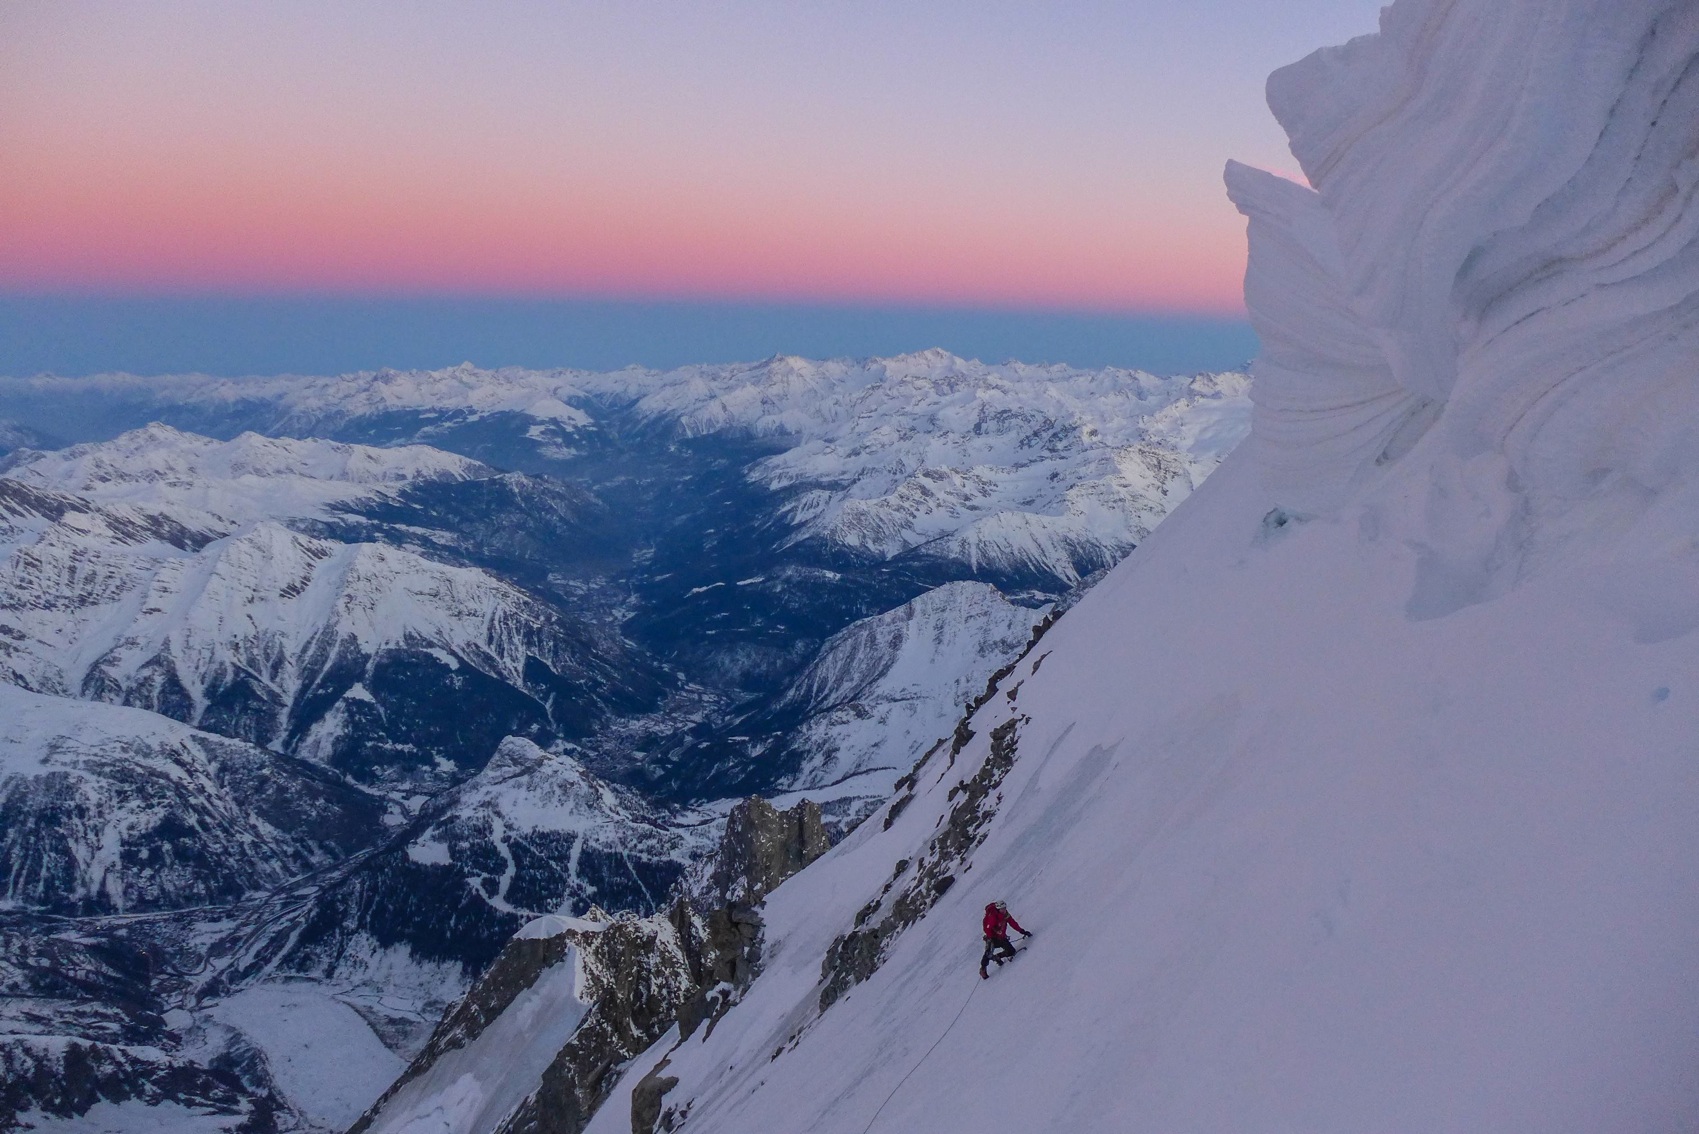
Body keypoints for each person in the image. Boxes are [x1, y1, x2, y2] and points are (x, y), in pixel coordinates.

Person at [979, 900, 1031, 979]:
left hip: (1001, 937)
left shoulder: (1005, 914)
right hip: (992, 938)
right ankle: (983, 969)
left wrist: (1022, 931)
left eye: (1005, 908)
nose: (1004, 910)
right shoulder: (992, 916)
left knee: (1011, 951)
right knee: (988, 953)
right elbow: (987, 929)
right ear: (998, 909)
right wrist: (993, 936)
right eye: (1002, 909)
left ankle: (997, 957)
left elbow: (1012, 923)